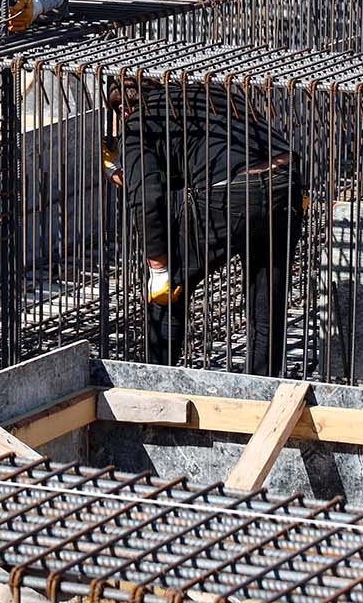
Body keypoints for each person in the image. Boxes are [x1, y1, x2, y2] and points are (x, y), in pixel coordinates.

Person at [106, 76, 307, 377]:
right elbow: (193, 162)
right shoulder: (208, 93)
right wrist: (123, 170)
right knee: (267, 305)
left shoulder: (137, 124)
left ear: (123, 109)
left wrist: (158, 269)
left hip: (234, 192)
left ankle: (154, 384)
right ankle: (261, 393)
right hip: (288, 183)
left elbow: (147, 197)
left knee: (170, 286)